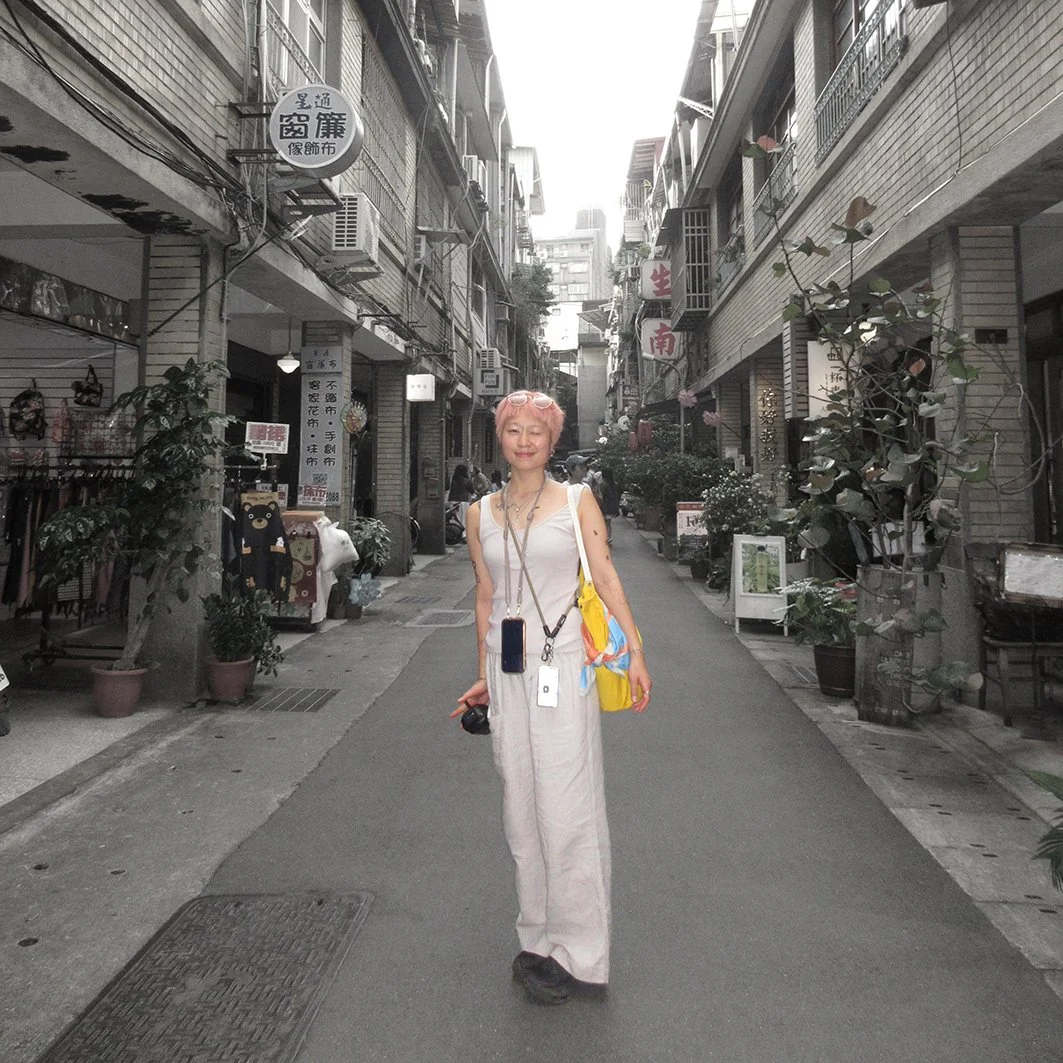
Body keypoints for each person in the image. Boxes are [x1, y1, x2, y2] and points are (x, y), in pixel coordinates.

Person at [455, 389, 652, 1006]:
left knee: (568, 810)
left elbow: (606, 575)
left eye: (536, 429)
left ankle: (581, 954)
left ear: (553, 437)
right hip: (508, 668)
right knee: (521, 810)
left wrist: (635, 649)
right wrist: (484, 671)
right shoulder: (479, 513)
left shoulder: (576, 500)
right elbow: (486, 596)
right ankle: (537, 938)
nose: (524, 439)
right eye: (512, 429)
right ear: (500, 436)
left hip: (564, 665)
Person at [447, 464, 475, 534]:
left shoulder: (451, 479)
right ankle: (463, 535)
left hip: (452, 502)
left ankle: (453, 533)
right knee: (463, 520)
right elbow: (471, 490)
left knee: (454, 520)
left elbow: (447, 489)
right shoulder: (466, 480)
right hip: (463, 503)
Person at [596, 467, 621, 546]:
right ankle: (609, 538)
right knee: (608, 524)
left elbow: (601, 496)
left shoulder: (603, 484)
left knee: (604, 524)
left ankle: (605, 538)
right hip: (612, 507)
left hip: (605, 507)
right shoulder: (613, 484)